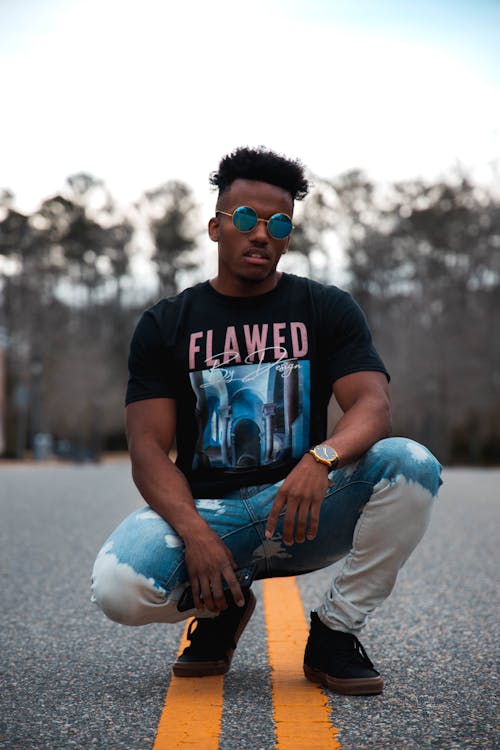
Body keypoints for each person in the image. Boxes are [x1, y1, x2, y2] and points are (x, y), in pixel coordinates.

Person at [91, 146, 442, 696]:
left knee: (412, 464)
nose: (261, 233)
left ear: (289, 234)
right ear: (215, 227)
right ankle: (222, 606)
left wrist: (321, 458)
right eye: (246, 219)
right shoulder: (166, 323)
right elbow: (148, 449)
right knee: (119, 586)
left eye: (278, 222)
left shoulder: (325, 308)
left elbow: (372, 405)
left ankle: (334, 632)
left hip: (303, 508)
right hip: (212, 513)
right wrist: (194, 534)